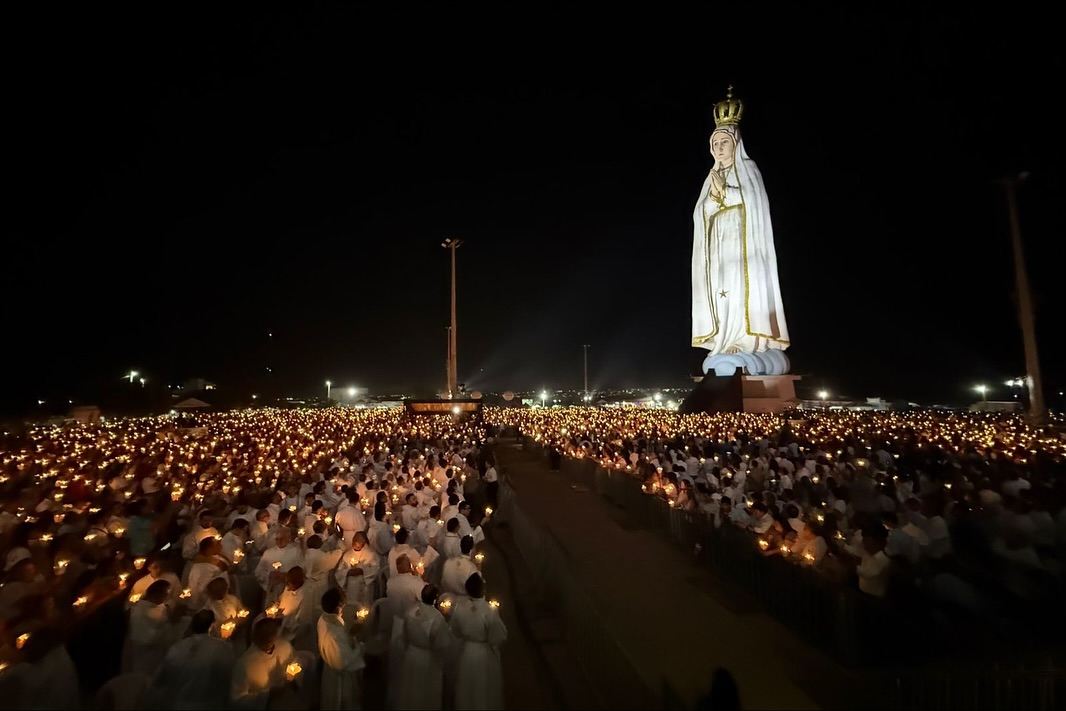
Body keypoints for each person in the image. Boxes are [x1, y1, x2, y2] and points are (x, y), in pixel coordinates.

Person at [691, 86, 790, 376]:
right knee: (723, 295)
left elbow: (754, 203)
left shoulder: (748, 170)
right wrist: (713, 199)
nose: (720, 148)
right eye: (716, 143)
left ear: (736, 143)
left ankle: (746, 340)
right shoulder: (711, 178)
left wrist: (727, 193)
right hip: (720, 250)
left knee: (741, 291)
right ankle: (724, 340)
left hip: (743, 247)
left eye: (724, 142)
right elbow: (700, 213)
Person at [146, 608, 236, 710]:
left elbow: (161, 680)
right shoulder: (222, 648)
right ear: (212, 625)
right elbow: (228, 680)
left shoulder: (176, 648)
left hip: (180, 705)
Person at [449, 573, 506, 710]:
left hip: (466, 652)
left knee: (468, 688)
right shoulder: (488, 611)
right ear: (482, 590)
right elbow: (498, 635)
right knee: (483, 688)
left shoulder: (459, 608)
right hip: (484, 654)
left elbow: (454, 630)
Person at [394, 584, 453, 711]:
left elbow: (404, 634)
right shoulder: (437, 618)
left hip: (411, 655)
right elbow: (441, 644)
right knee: (425, 693)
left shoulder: (411, 611)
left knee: (410, 690)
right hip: (428, 660)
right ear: (435, 599)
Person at [316, 587, 365, 711]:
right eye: (343, 603)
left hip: (329, 670)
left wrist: (350, 634)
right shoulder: (334, 633)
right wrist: (359, 646)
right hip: (339, 678)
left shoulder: (324, 618)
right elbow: (342, 662)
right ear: (339, 605)